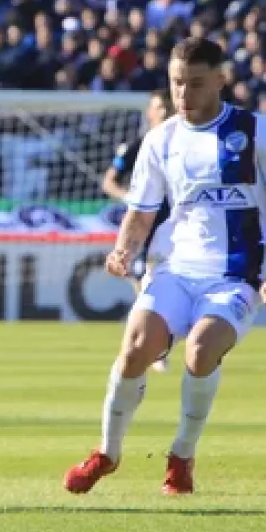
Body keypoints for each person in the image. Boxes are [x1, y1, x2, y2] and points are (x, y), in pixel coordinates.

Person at [63, 37, 266, 497]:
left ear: (220, 79)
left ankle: (181, 456)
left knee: (200, 351)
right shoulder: (160, 140)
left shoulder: (257, 132)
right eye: (177, 83)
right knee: (136, 347)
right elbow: (140, 212)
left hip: (235, 276)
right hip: (176, 268)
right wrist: (123, 249)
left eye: (195, 83)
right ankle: (107, 454)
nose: (184, 94)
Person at [102, 88, 175, 373]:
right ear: (150, 112)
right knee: (146, 287)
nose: (165, 113)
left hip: (179, 229)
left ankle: (151, 346)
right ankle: (148, 348)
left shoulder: (186, 146)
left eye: (168, 107)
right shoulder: (140, 146)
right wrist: (129, 199)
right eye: (160, 107)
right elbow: (109, 182)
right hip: (146, 230)